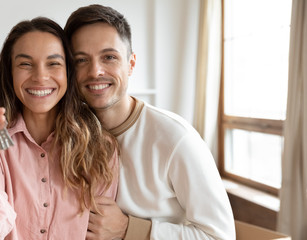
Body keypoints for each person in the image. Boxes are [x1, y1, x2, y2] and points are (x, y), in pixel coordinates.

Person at [64, 4, 236, 240]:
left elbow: (221, 236)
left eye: (109, 57)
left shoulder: (176, 138)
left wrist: (130, 229)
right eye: (81, 60)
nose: (95, 71)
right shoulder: (66, 132)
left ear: (131, 64)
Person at [0, 17, 119, 240]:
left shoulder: (100, 145)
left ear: (68, 72)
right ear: (10, 72)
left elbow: (101, 232)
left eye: (53, 63)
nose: (40, 77)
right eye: (25, 64)